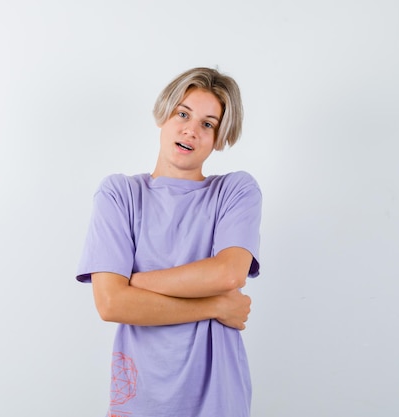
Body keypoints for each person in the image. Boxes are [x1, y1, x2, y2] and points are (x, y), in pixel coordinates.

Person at [76, 67, 262, 417]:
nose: (192, 129)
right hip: (142, 395)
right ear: (164, 115)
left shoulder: (235, 192)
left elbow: (228, 275)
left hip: (217, 395)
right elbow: (111, 305)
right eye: (183, 113)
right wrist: (216, 306)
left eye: (208, 123)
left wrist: (135, 283)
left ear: (220, 137)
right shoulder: (120, 194)